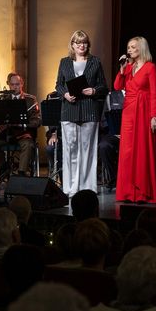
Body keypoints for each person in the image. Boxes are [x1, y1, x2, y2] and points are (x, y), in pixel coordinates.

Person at [55, 30, 108, 197]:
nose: (81, 46)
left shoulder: (95, 62)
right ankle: (70, 187)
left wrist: (94, 90)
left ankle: (87, 187)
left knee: (88, 150)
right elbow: (58, 85)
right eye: (78, 43)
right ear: (72, 45)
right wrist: (65, 94)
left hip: (89, 110)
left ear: (88, 44)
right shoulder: (64, 62)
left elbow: (103, 86)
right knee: (70, 150)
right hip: (69, 111)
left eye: (84, 42)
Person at [115, 36, 156, 204]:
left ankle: (142, 192)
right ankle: (127, 192)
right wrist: (122, 69)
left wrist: (154, 116)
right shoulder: (128, 67)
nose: (129, 50)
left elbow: (154, 93)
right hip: (128, 112)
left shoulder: (150, 67)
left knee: (141, 150)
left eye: (133, 47)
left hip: (143, 111)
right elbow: (117, 86)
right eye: (128, 47)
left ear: (141, 48)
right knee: (127, 152)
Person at [0, 72, 40, 177]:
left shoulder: (30, 100)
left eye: (17, 84)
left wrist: (22, 124)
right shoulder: (2, 98)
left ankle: (21, 173)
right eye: (12, 84)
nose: (15, 87)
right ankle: (4, 168)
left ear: (22, 84)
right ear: (8, 84)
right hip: (6, 133)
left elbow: (37, 120)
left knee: (28, 145)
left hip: (23, 133)